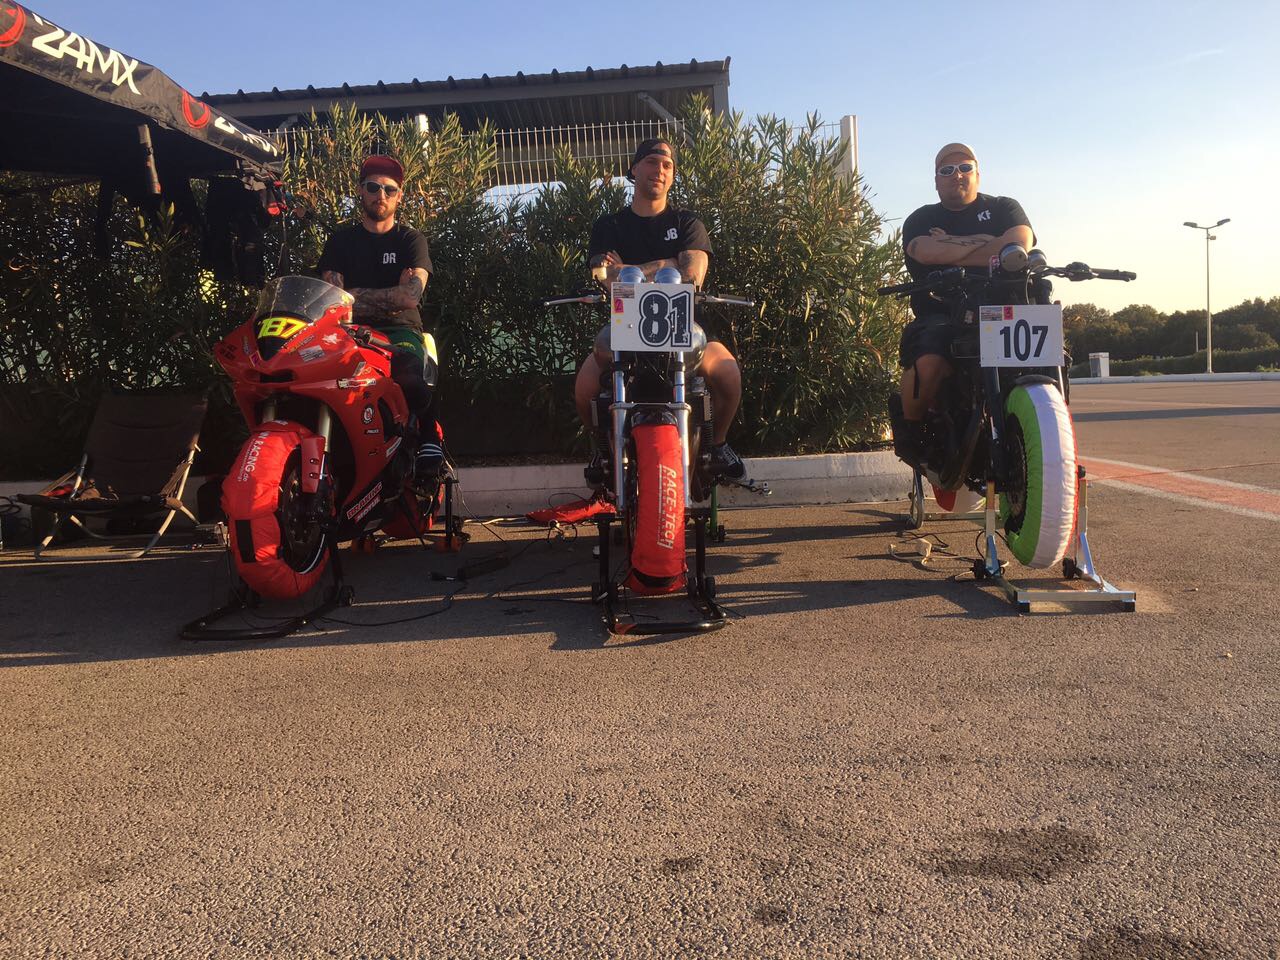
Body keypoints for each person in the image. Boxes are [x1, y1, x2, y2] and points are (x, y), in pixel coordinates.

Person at [577, 137, 746, 480]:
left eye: (667, 165)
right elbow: (604, 276)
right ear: (634, 169)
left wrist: (630, 269)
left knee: (728, 374)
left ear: (673, 176)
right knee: (585, 388)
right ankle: (603, 452)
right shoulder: (608, 226)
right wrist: (669, 263)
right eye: (652, 162)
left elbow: (692, 276)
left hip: (685, 328)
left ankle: (717, 444)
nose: (660, 170)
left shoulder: (688, 223)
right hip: (625, 330)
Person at [892, 142, 1035, 465]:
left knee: (1050, 357)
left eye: (965, 167)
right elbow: (926, 251)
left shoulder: (1004, 207)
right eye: (947, 170)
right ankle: (914, 433)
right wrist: (991, 244)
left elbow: (1020, 244)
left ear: (978, 175)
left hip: (1005, 311)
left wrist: (949, 244)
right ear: (936, 181)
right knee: (929, 361)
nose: (957, 174)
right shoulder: (921, 218)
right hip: (942, 311)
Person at [316, 155, 442, 480]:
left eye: (389, 189)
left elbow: (410, 297)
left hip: (399, 332)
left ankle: (429, 439)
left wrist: (353, 295)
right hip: (346, 334)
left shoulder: (410, 240)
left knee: (410, 377)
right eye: (373, 187)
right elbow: (333, 300)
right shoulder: (340, 242)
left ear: (400, 195)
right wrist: (390, 295)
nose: (380, 195)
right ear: (361, 190)